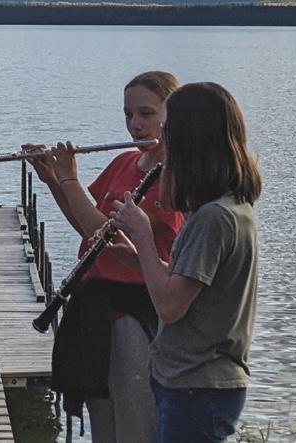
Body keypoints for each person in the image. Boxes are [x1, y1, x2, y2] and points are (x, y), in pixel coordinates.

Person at [22, 71, 184, 443]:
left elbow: (110, 237)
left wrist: (69, 179)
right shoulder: (125, 162)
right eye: (128, 114)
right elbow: (88, 230)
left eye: (146, 114)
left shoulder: (174, 180)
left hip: (136, 316)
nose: (135, 125)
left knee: (134, 425)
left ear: (171, 115)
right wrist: (53, 180)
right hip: (97, 313)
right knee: (104, 427)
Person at [109, 82, 262, 442]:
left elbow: (170, 306)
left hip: (199, 385)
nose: (164, 139)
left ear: (190, 140)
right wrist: (140, 259)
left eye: (169, 130)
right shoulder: (229, 207)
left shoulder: (213, 218)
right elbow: (190, 289)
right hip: (194, 384)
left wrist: (143, 234)